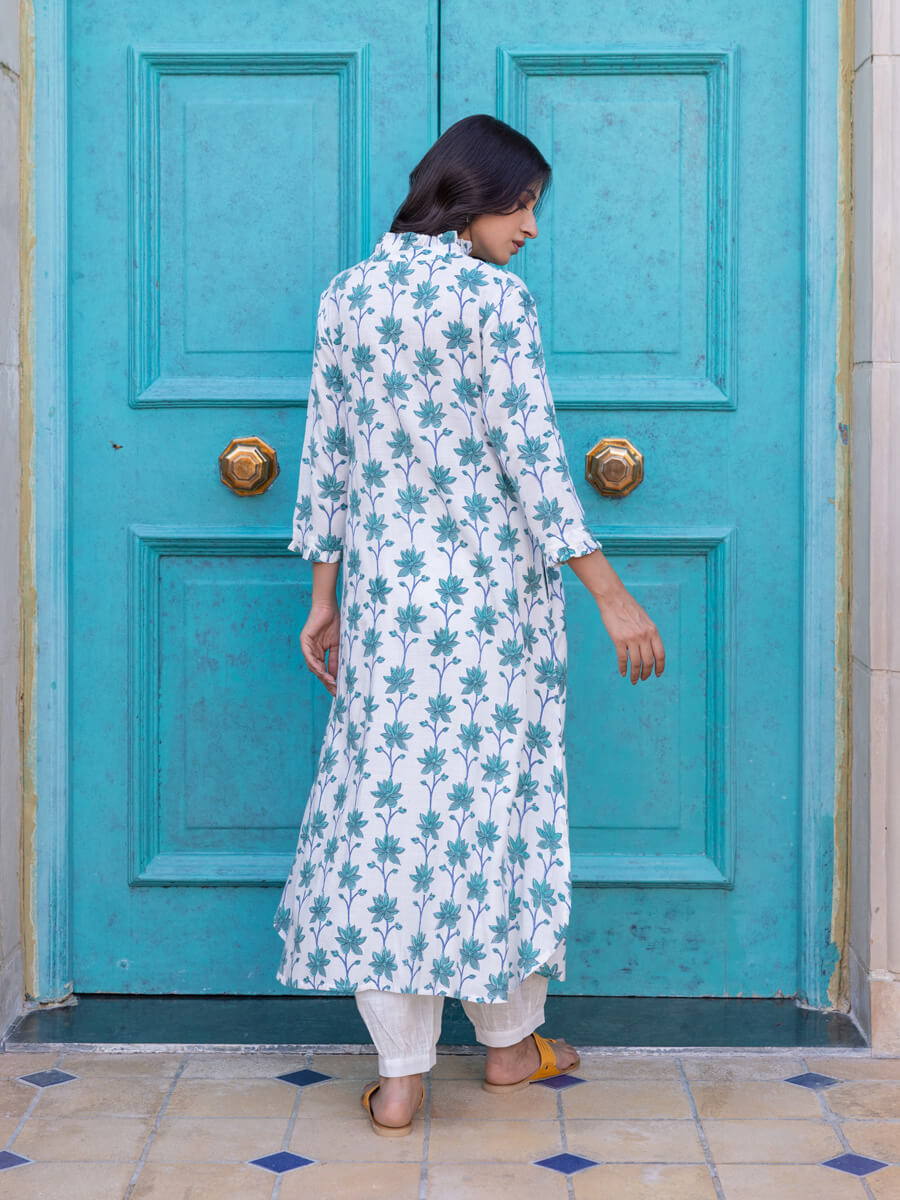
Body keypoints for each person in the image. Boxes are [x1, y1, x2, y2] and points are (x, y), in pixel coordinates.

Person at [273, 113, 665, 1136]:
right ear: (470, 195)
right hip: (494, 615)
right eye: (523, 204)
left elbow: (327, 458)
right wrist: (610, 593)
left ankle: (401, 1077)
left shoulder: (348, 296)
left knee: (390, 820)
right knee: (496, 812)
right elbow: (533, 459)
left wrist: (324, 598)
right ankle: (508, 1047)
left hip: (392, 613)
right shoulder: (493, 300)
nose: (530, 228)